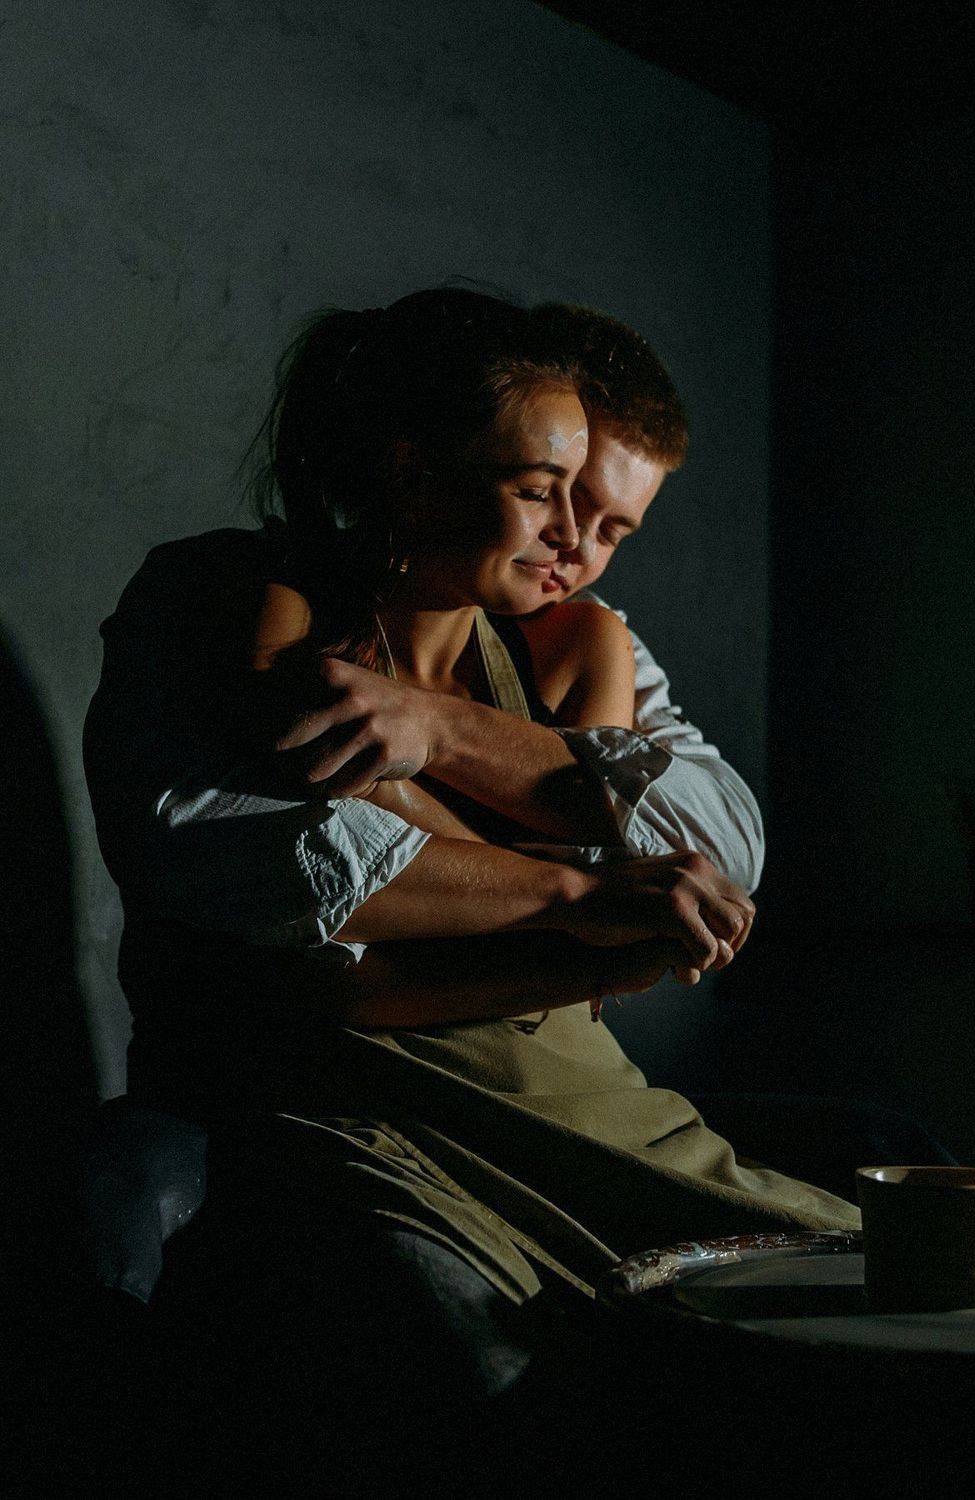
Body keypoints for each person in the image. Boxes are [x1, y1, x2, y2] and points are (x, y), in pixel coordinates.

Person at [83, 290, 859, 1460]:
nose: (572, 540)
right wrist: (583, 902)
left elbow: (710, 847)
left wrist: (452, 762)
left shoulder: (565, 641)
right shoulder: (264, 607)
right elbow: (316, 940)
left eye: (598, 514)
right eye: (544, 490)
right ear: (414, 477)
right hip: (386, 1116)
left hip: (580, 1098)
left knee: (902, 1295)